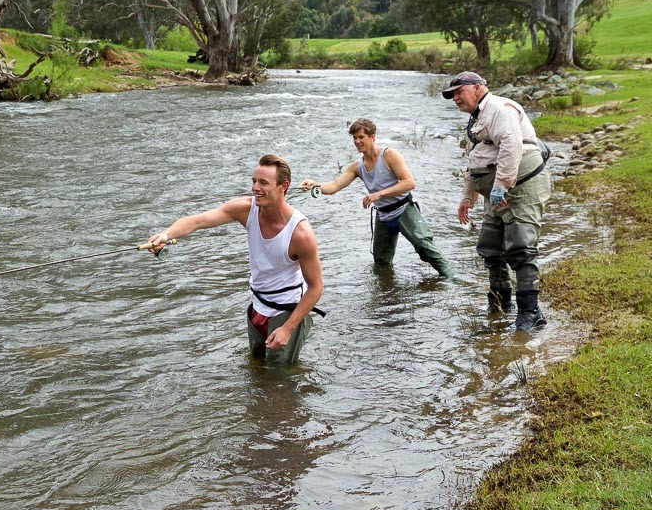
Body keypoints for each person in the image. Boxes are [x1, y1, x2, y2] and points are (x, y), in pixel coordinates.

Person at [147, 154, 324, 365]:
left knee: (280, 380)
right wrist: (166, 235)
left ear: (283, 186)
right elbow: (197, 221)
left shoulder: (300, 233)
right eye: (254, 181)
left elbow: (316, 288)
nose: (255, 188)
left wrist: (287, 328)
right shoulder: (245, 209)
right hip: (257, 307)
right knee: (256, 368)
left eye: (263, 183)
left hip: (286, 312)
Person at [443, 71, 552, 330]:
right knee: (491, 249)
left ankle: (531, 313)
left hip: (521, 187)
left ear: (478, 88)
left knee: (521, 248)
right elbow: (474, 162)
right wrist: (466, 199)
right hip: (496, 192)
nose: (455, 98)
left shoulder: (500, 110)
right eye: (452, 95)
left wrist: (500, 188)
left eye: (459, 92)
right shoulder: (476, 119)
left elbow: (512, 147)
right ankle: (500, 304)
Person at [298, 119, 453, 278]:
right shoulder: (356, 166)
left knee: (425, 247)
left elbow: (409, 183)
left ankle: (452, 280)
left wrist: (379, 194)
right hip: (383, 215)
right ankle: (386, 292)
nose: (357, 142)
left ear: (372, 137)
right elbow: (334, 186)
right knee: (381, 261)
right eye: (354, 138)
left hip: (404, 209)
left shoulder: (389, 155)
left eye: (361, 137)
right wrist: (314, 184)